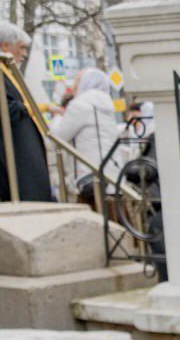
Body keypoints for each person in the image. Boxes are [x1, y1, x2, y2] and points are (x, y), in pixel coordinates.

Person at [48, 68, 122, 207]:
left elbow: (58, 137)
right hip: (111, 174)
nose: (73, 86)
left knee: (97, 219)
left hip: (91, 177)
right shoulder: (105, 104)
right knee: (114, 216)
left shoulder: (80, 105)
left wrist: (57, 115)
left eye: (77, 81)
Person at [0, 22, 51, 202]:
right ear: (5, 46)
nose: (24, 53)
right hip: (14, 158)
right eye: (21, 48)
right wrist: (24, 108)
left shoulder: (7, 72)